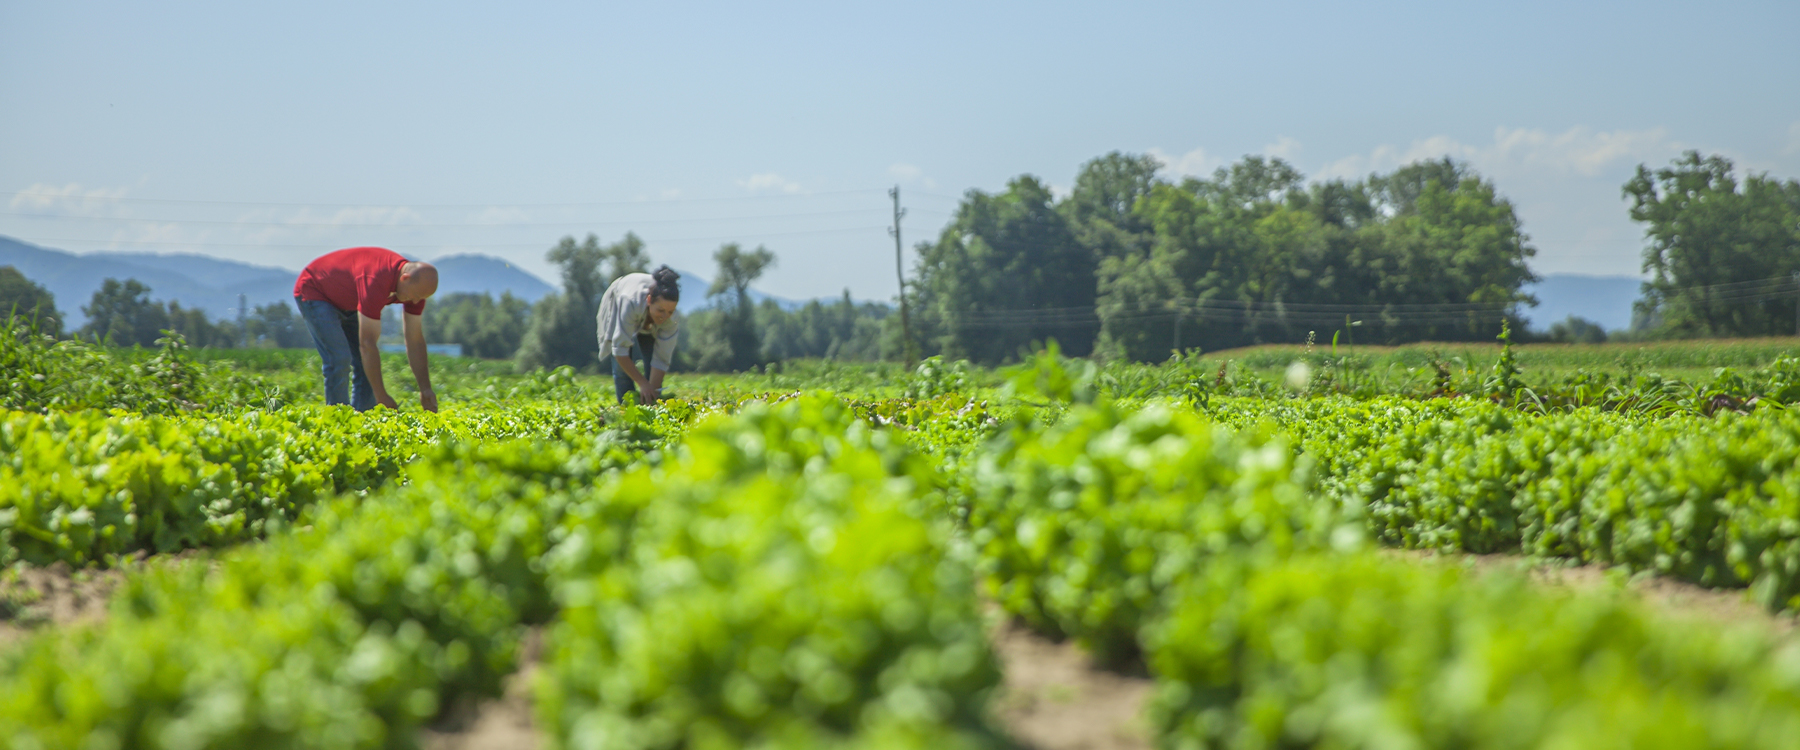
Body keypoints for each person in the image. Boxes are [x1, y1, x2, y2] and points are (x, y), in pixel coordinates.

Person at [293, 246, 440, 412]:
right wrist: (381, 396)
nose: (415, 302)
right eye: (415, 296)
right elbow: (367, 344)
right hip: (316, 291)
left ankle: (362, 420)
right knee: (339, 359)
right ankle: (338, 419)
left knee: (365, 365)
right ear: (404, 279)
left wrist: (425, 388)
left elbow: (415, 340)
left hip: (350, 301)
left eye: (420, 298)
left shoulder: (415, 292)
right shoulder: (376, 280)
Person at [597, 265, 681, 403]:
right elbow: (620, 351)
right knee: (621, 372)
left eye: (670, 311)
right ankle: (626, 407)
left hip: (647, 321)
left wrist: (652, 391)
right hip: (620, 298)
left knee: (651, 367)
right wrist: (643, 384)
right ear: (649, 300)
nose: (665, 316)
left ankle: (648, 407)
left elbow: (661, 359)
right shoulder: (629, 301)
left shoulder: (671, 319)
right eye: (660, 310)